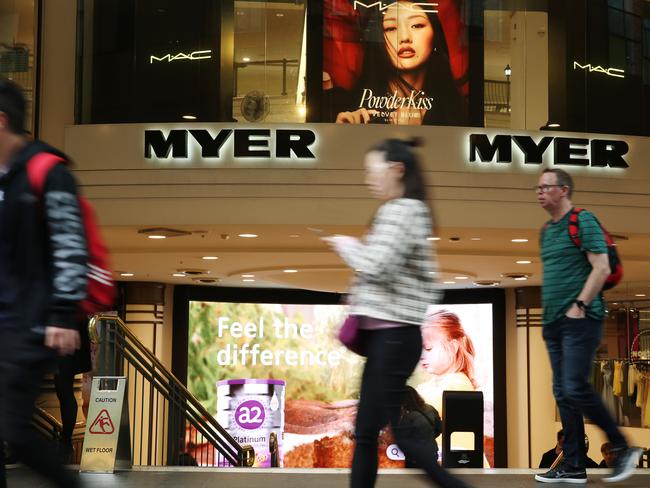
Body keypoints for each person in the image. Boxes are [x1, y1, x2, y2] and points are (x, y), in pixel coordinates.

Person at [322, 138, 471, 488]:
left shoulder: (402, 211)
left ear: (396, 170)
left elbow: (376, 265)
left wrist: (347, 246)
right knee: (369, 433)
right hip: (390, 340)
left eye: (371, 171)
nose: (367, 179)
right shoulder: (409, 211)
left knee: (383, 435)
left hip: (393, 339)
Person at [0, 79, 87, 488]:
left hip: (33, 326)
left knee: (15, 430)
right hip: (7, 320)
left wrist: (63, 313)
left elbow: (71, 243)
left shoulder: (47, 172)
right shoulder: (6, 178)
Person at [534, 168, 642, 484]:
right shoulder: (547, 230)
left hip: (582, 318)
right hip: (554, 323)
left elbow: (602, 266)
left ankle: (623, 447)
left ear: (563, 190)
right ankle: (574, 465)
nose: (539, 192)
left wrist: (580, 305)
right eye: (537, 187)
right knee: (563, 393)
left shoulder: (582, 220)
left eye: (546, 187)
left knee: (574, 386)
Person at [330, 1, 465, 126]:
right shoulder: (348, 110)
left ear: (435, 35)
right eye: (390, 28)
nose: (405, 37)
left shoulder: (459, 112)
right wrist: (342, 134)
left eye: (417, 25)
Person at [399, 386, 442, 467]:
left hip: (414, 458)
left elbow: (402, 437)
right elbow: (439, 428)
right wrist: (429, 436)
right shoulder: (430, 409)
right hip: (431, 453)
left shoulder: (408, 416)